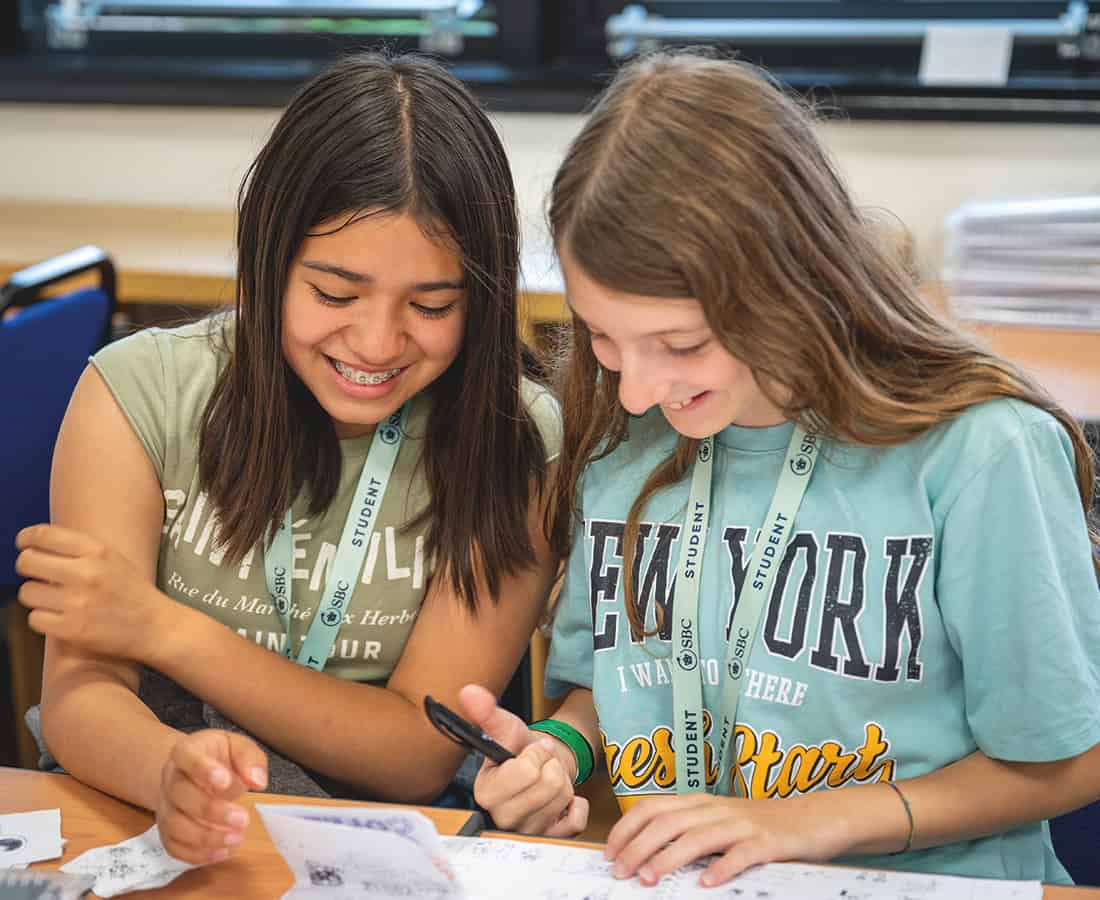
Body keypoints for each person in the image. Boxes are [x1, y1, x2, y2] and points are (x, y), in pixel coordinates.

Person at [459, 50, 1100, 887]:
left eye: (682, 345)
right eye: (603, 337)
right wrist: (558, 754)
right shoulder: (624, 434)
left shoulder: (980, 453)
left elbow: (1068, 762)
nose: (640, 389)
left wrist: (809, 822)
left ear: (788, 285)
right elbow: (599, 697)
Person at [14, 52, 561, 865]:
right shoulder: (138, 394)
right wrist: (166, 769)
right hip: (147, 816)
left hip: (389, 848)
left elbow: (416, 754)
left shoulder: (516, 440)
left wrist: (164, 629)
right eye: (334, 295)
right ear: (267, 260)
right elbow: (81, 693)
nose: (377, 343)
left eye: (432, 306)